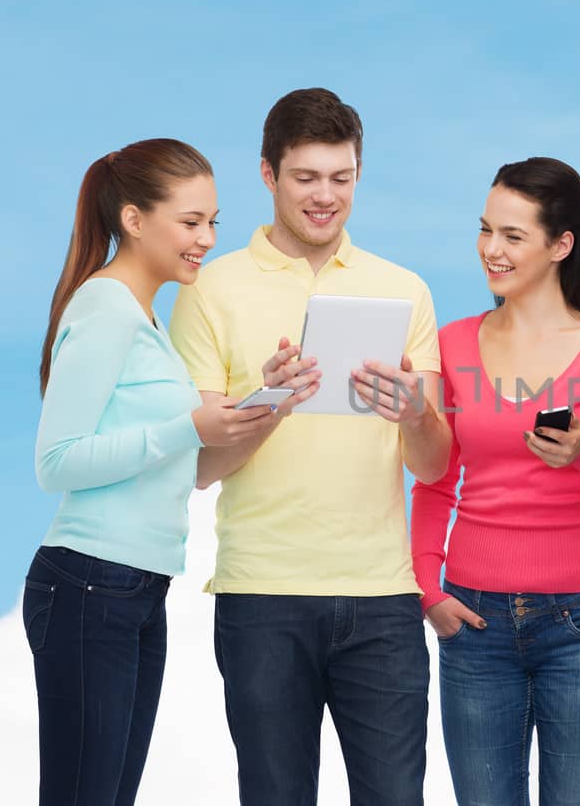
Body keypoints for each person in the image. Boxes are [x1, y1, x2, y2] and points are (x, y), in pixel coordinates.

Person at [168, 89, 451, 805]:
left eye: (341, 178)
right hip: (263, 595)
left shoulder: (404, 290)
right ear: (267, 174)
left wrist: (415, 412)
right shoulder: (211, 290)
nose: (325, 197)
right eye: (306, 178)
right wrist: (268, 405)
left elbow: (434, 462)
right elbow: (198, 468)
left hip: (383, 600)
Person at [27, 138, 276, 805]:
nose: (207, 239)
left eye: (213, 222)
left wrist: (270, 400)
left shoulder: (147, 321)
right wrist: (188, 424)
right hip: (88, 583)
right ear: (135, 220)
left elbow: (191, 468)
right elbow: (56, 462)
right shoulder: (104, 309)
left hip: (135, 588)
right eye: (191, 222)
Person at [411, 157, 580, 805]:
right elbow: (434, 481)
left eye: (512, 236)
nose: (492, 250)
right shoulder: (454, 344)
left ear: (560, 244)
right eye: (486, 230)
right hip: (473, 622)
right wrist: (427, 587)